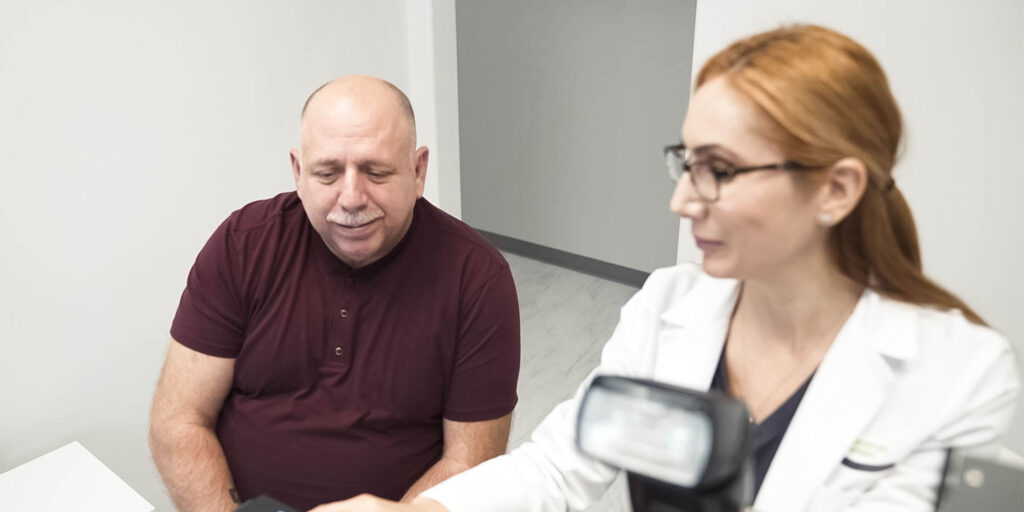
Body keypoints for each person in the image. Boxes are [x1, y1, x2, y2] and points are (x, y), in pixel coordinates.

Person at [309, 25, 1020, 512]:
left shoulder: (958, 377)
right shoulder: (669, 309)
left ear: (835, 189)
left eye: (720, 171)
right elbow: (562, 464)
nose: (682, 200)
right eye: (686, 162)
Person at [148, 75, 521, 512]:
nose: (351, 198)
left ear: (418, 171)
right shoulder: (243, 245)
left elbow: (470, 464)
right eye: (327, 173)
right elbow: (177, 421)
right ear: (298, 170)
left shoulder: (476, 279)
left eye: (376, 171)